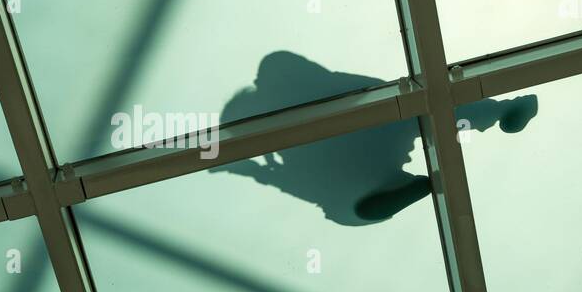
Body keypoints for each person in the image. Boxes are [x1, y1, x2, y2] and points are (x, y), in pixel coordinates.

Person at [216, 51, 538, 225]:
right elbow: (302, 183)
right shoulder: (289, 152)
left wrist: (259, 168)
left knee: (424, 116)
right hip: (372, 135)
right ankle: (501, 111)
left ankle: (502, 111)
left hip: (371, 122)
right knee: (426, 117)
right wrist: (260, 169)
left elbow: (300, 181)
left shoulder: (279, 79)